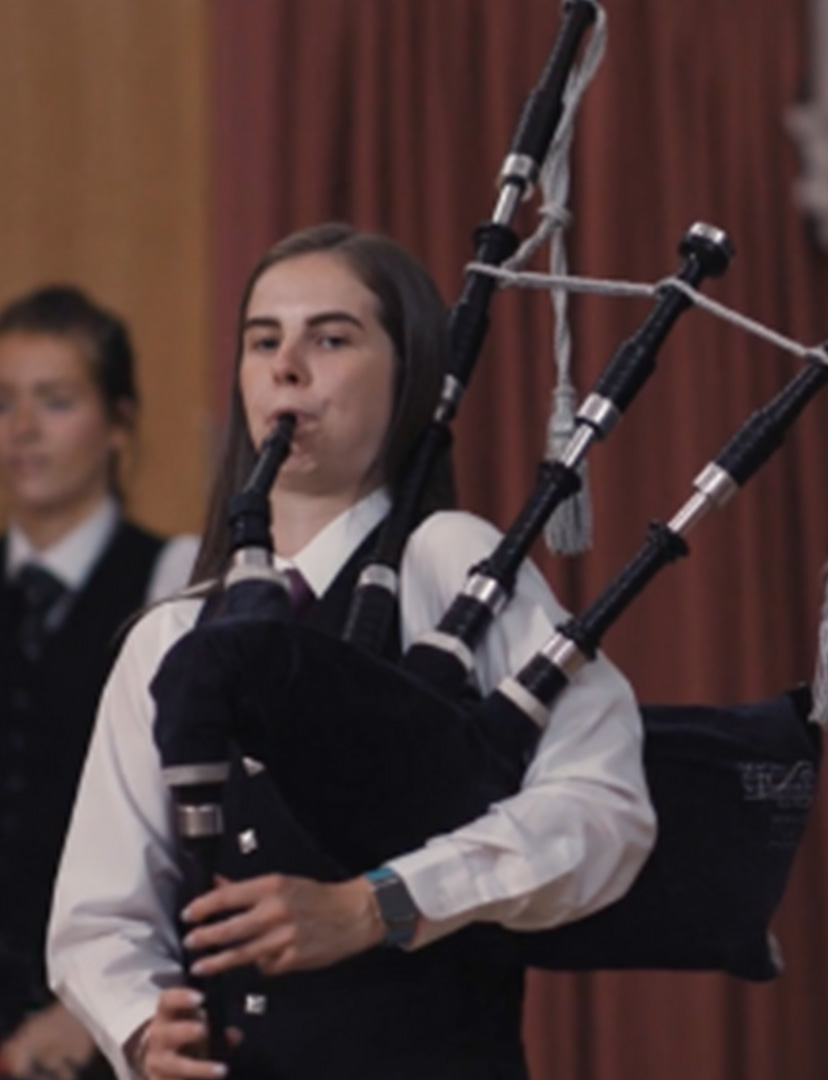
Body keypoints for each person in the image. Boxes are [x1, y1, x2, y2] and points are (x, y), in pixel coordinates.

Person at [47, 225, 655, 1080]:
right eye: (264, 341)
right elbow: (98, 913)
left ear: (409, 378)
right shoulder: (169, 634)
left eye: (329, 338)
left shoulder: (453, 563)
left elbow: (603, 811)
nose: (286, 367)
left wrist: (380, 905)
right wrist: (144, 1029)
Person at [0, 286, 198, 1080]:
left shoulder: (173, 580)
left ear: (119, 424)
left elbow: (189, 828)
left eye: (54, 401)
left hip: (109, 1020)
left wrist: (97, 1009)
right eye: (5, 401)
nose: (23, 430)